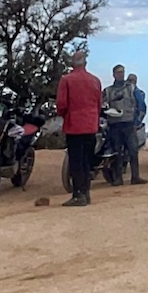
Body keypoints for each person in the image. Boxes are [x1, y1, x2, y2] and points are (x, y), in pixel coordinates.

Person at [55, 49, 103, 207]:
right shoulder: (95, 81)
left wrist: (64, 115)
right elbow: (98, 104)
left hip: (74, 126)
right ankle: (86, 192)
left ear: (71, 63)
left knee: (76, 161)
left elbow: (61, 105)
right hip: (91, 126)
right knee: (87, 161)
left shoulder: (66, 80)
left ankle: (78, 195)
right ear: (85, 63)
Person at [103, 65, 141, 185]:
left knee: (133, 150)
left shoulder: (131, 88)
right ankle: (118, 178)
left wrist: (136, 122)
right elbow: (101, 105)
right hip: (114, 125)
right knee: (117, 152)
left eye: (122, 72)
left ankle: (135, 177)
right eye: (118, 72)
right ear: (113, 74)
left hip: (129, 124)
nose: (121, 74)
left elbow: (140, 105)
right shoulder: (107, 91)